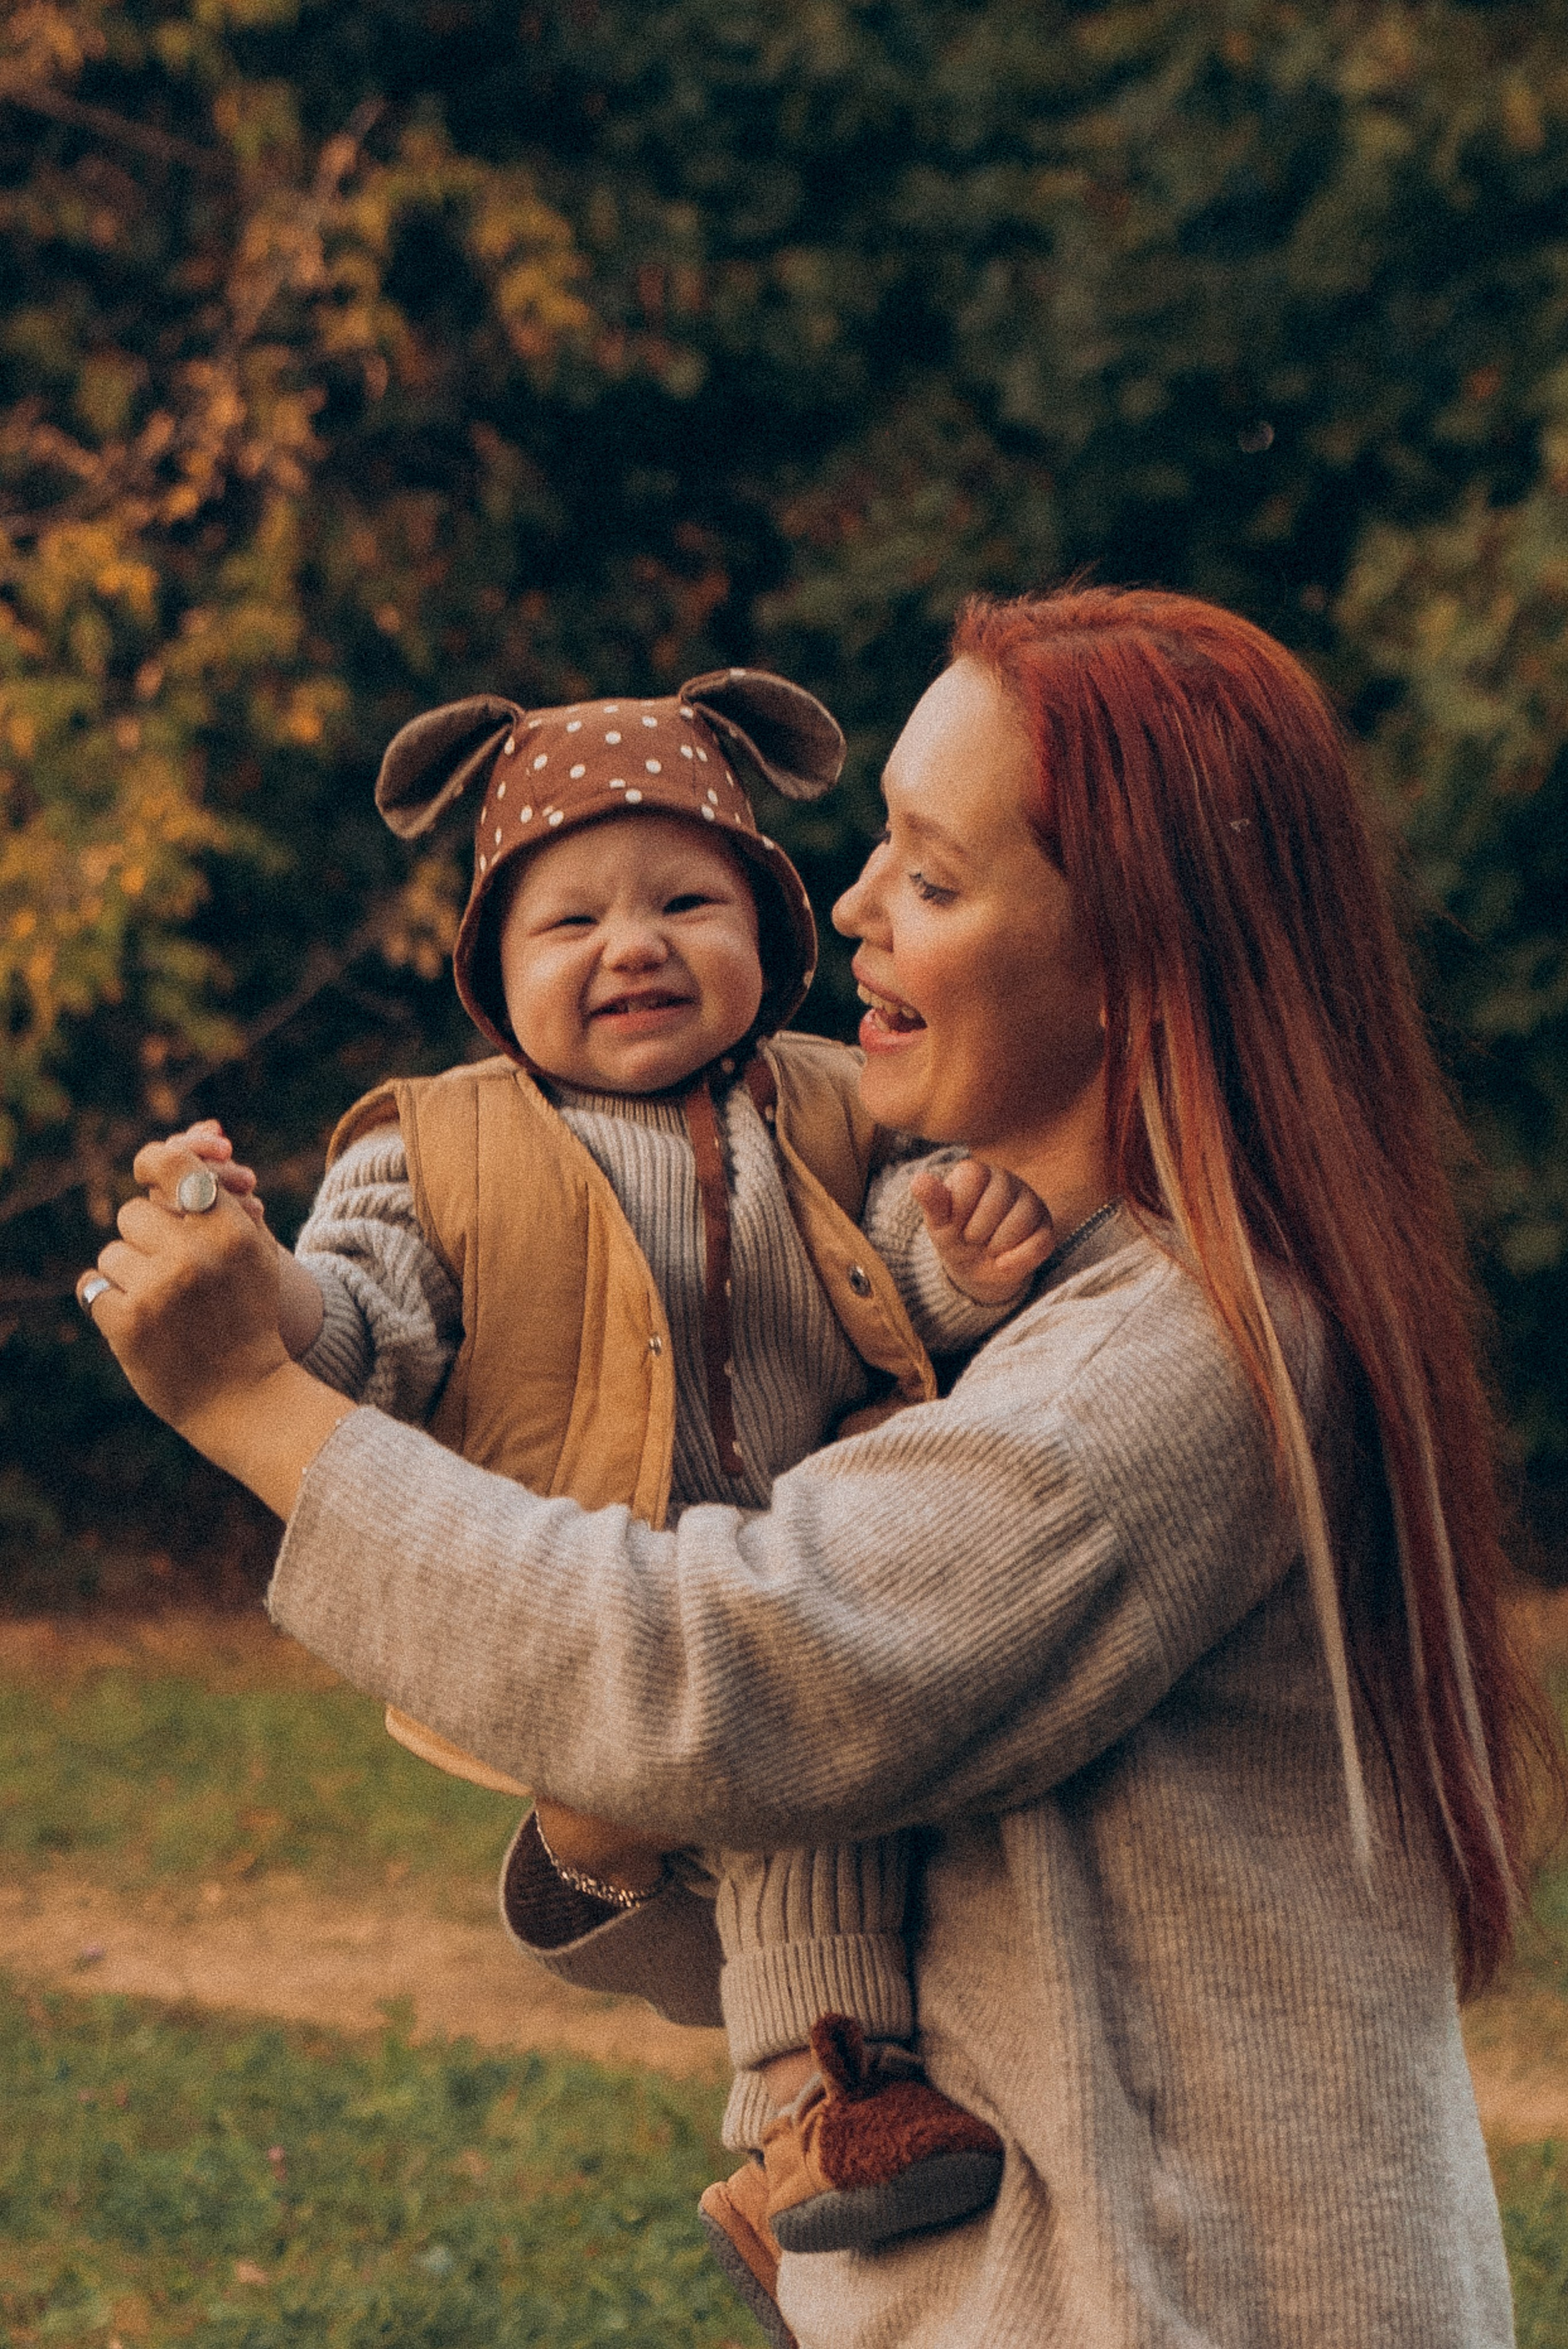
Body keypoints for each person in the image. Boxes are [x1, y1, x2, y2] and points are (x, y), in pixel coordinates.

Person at [83, 585, 1555, 2349]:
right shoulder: (993, 1311)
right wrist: (615, 1842)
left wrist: (250, 1401)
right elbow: (851, 1840)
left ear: (1132, 960)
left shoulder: (1175, 1359)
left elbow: (728, 1670)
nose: (848, 907)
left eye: (931, 877)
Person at [156, 664, 1054, 2285]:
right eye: (569, 921)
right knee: (786, 1800)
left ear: (769, 930)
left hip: (799, 1567)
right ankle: (814, 2105)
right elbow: (359, 1337)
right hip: (586, 1587)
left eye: (686, 902)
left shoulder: (837, 1104)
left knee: (851, 1805)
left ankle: (782, 2147)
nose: (633, 945)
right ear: (494, 971)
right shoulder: (432, 1145)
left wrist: (965, 1266)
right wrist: (257, 1282)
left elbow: (898, 1286)